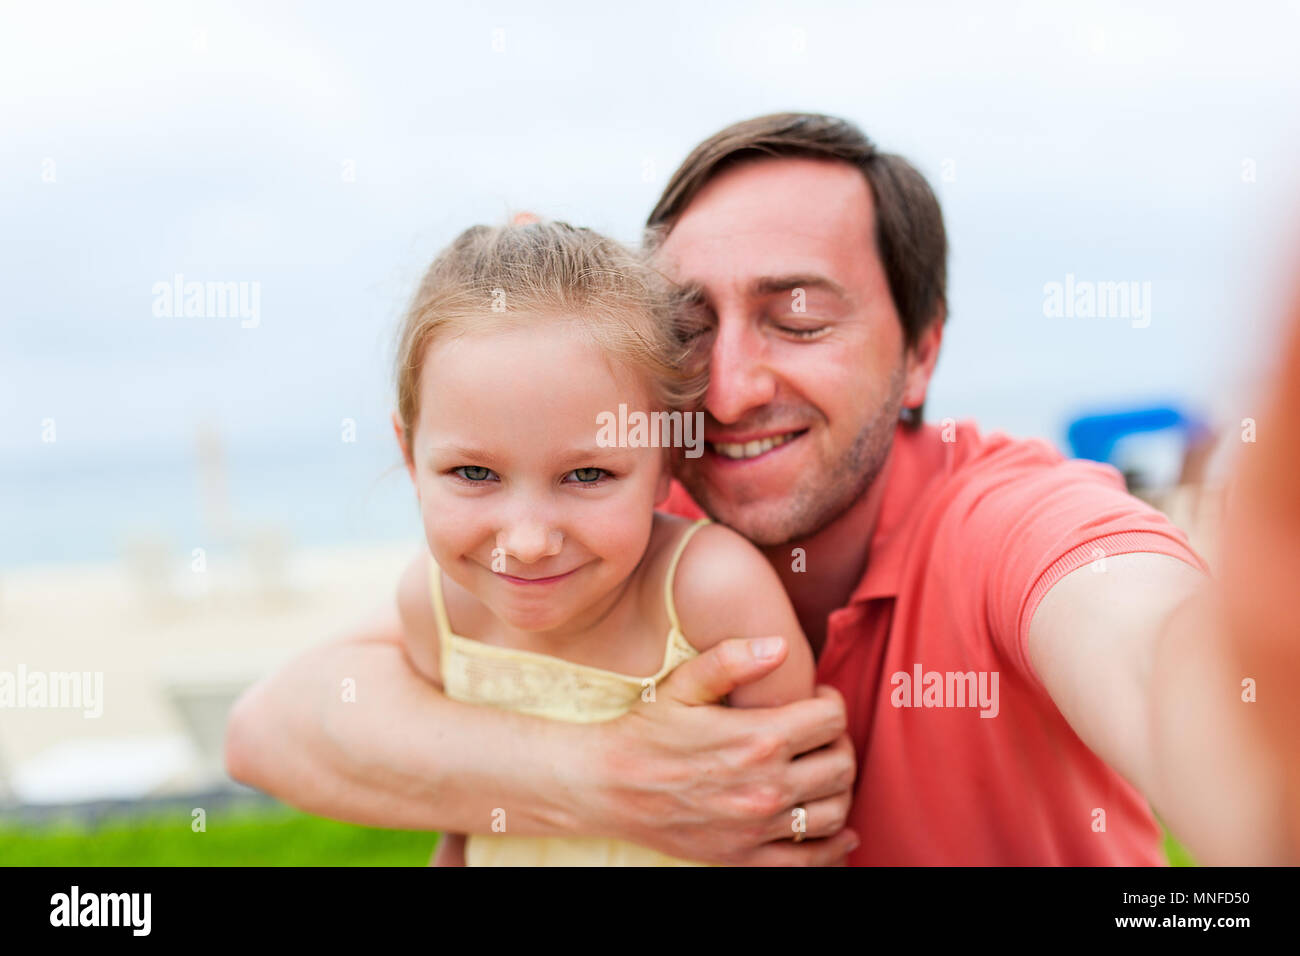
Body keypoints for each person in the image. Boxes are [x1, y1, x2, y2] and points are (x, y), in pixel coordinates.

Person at [225, 113, 1296, 865]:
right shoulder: (613, 518)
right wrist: (613, 779)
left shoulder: (1012, 519)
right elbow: (276, 724)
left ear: (920, 351)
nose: (728, 386)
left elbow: (1157, 662)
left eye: (797, 317)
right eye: (690, 328)